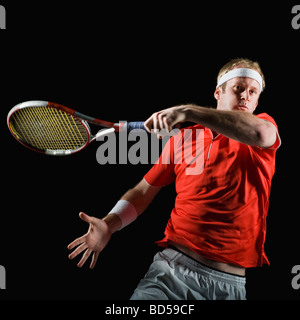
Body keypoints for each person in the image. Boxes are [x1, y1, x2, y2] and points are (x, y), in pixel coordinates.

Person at [67, 58, 281, 300]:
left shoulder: (263, 130)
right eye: (238, 88)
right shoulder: (183, 139)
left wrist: (187, 111)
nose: (245, 97)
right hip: (171, 274)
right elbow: (142, 192)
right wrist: (109, 224)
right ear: (218, 92)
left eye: (253, 92)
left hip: (229, 286)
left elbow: (259, 132)